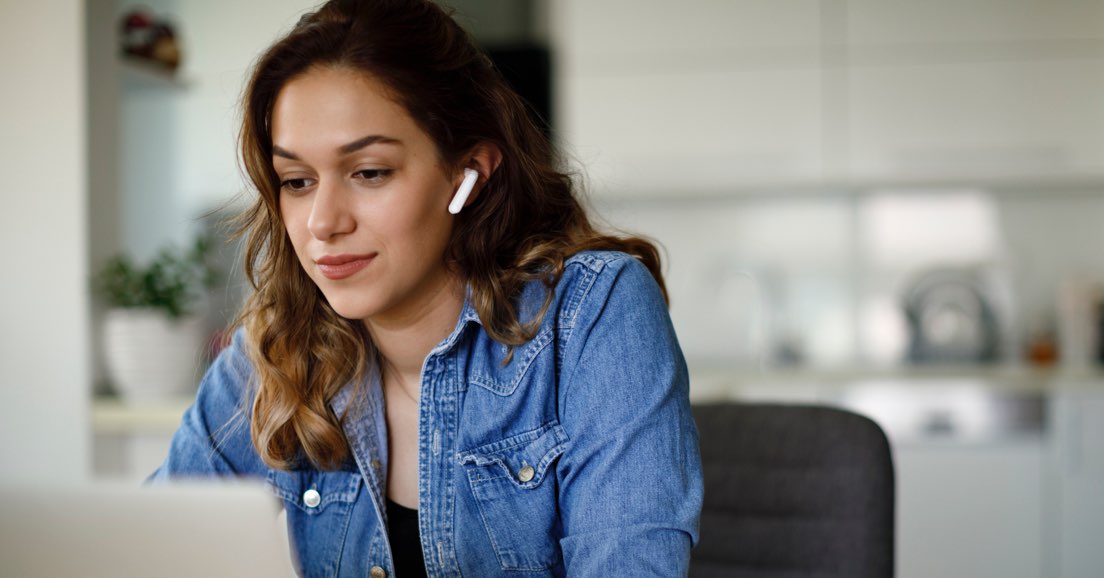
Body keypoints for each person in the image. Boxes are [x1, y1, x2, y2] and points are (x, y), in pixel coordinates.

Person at [151, 0, 702, 576]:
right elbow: (147, 547)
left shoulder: (594, 313)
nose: (322, 222)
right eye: (296, 181)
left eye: (369, 172)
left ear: (470, 176)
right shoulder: (275, 351)